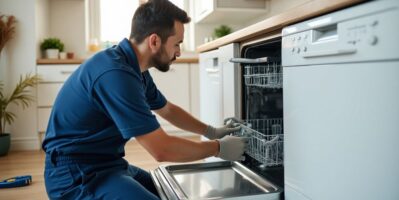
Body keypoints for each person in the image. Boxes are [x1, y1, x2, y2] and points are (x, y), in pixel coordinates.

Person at [42, 0, 248, 199]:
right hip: (76, 177)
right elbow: (161, 149)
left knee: (167, 192)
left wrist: (211, 131)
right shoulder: (115, 75)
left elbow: (167, 110)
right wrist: (218, 148)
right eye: (177, 44)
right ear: (154, 41)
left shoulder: (134, 69)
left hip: (107, 163)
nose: (178, 52)